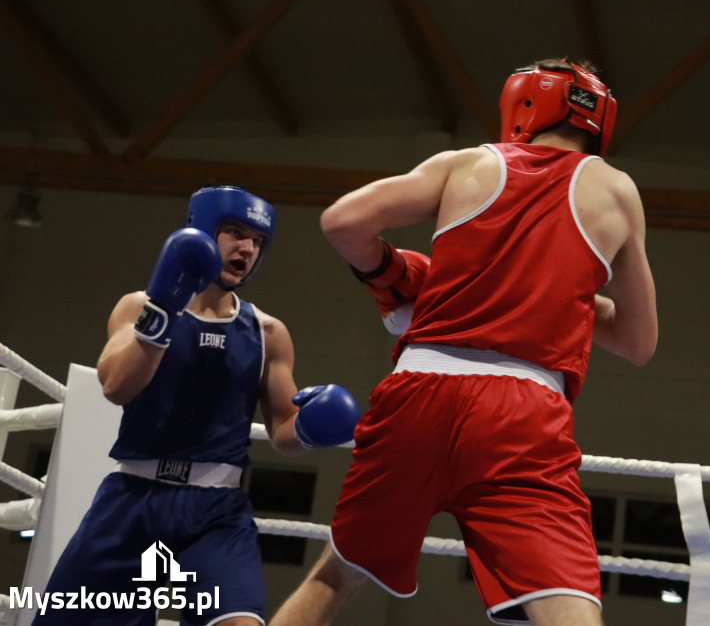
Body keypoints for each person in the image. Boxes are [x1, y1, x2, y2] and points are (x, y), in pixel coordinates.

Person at [270, 58, 658, 626]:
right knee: (565, 603)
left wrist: (386, 275)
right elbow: (638, 340)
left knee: (338, 575)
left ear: (525, 102)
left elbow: (342, 222)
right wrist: (564, 292)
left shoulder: (468, 164)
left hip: (417, 392)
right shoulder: (615, 190)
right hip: (522, 413)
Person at [34, 186, 362, 626]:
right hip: (133, 499)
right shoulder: (138, 306)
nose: (246, 247)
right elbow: (115, 386)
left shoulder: (267, 332)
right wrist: (164, 310)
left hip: (214, 510)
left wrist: (313, 427)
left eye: (258, 240)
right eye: (234, 232)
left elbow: (283, 428)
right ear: (202, 231)